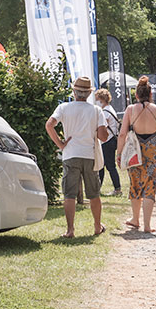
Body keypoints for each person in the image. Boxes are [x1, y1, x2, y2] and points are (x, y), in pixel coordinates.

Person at [45, 77, 108, 238]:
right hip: (89, 155)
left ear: (74, 91)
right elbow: (103, 137)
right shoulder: (96, 110)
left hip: (70, 154)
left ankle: (70, 230)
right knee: (94, 193)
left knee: (69, 194)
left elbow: (49, 124)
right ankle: (96, 226)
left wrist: (60, 143)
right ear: (88, 94)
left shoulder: (64, 107)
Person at [117, 76, 156, 233]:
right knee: (150, 185)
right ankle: (147, 225)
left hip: (134, 152)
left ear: (137, 95)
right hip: (154, 152)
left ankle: (135, 219)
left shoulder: (131, 110)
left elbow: (122, 134)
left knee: (135, 183)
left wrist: (119, 154)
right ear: (150, 94)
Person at [93, 88, 122, 196]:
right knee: (105, 165)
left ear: (101, 99)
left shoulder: (105, 112)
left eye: (97, 99)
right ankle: (99, 188)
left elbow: (101, 126)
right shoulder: (109, 109)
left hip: (107, 142)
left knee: (108, 166)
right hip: (110, 141)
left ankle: (117, 189)